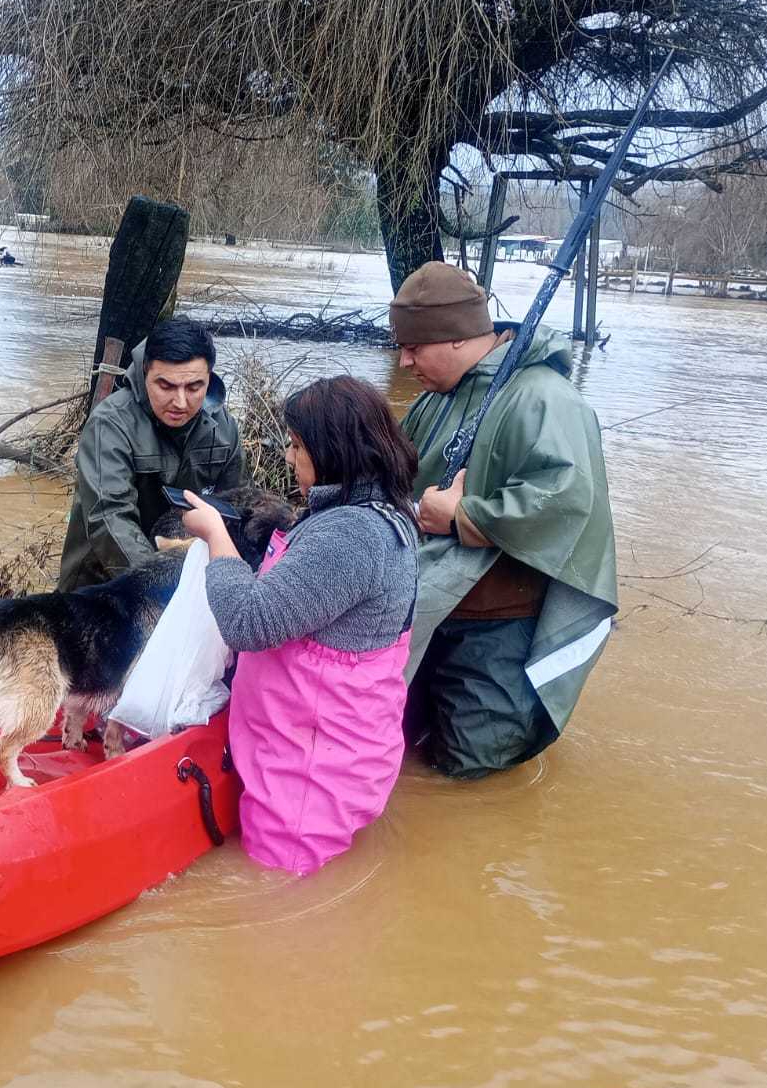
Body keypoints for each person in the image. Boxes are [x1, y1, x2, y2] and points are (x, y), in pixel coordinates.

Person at [180, 376, 419, 876]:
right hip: (333, 750)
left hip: (308, 777)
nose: (289, 459)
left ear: (334, 451)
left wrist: (216, 538)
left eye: (296, 446)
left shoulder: (350, 535)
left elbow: (249, 622)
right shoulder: (382, 513)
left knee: (280, 903)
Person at [392, 261, 618, 778]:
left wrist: (462, 516)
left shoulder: (546, 399)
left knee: (474, 777)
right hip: (428, 614)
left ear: (453, 338)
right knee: (403, 755)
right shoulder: (437, 399)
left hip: (497, 632)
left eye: (413, 347)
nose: (403, 362)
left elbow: (568, 503)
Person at [57, 320, 244, 591]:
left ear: (210, 378)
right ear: (145, 372)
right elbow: (110, 519)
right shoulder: (109, 424)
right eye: (165, 386)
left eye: (194, 387)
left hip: (187, 577)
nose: (180, 402)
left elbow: (234, 507)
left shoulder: (224, 428)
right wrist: (162, 586)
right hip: (101, 584)